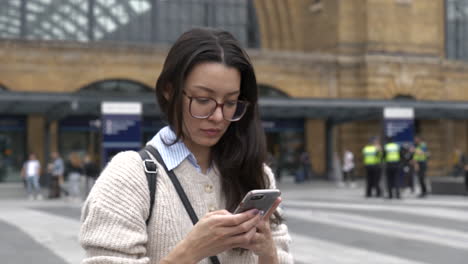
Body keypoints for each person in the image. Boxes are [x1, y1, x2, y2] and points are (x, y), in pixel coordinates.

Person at [80, 28, 293, 263]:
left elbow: (281, 255)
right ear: (169, 91)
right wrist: (191, 250)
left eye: (231, 102)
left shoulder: (256, 174)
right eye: (203, 100)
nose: (218, 116)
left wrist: (268, 253)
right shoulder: (130, 176)